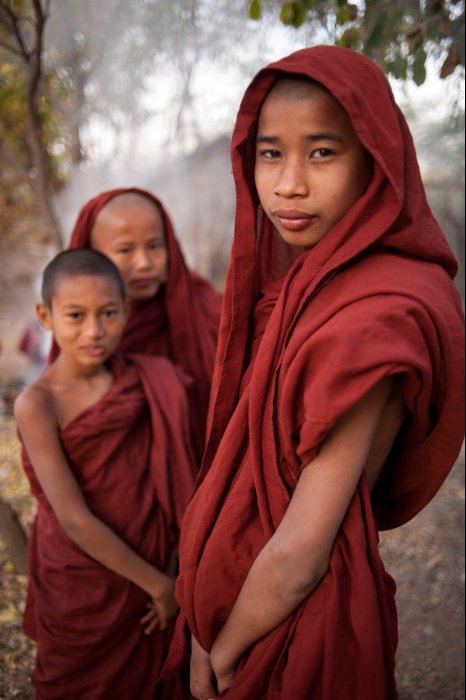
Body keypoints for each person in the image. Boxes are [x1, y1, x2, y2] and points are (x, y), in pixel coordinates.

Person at [169, 46, 465, 699]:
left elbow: (301, 554)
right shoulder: (312, 282)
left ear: (376, 159)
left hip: (289, 630)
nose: (288, 183)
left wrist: (220, 648)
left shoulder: (377, 313)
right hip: (246, 608)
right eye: (270, 153)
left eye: (322, 152)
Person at [14, 248, 196, 699]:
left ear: (125, 311)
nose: (94, 330)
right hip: (82, 577)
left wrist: (170, 570)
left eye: (108, 313)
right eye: (76, 315)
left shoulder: (145, 381)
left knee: (153, 680)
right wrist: (159, 585)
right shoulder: (38, 404)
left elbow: (169, 480)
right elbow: (73, 518)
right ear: (46, 315)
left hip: (154, 555)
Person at [51, 188, 222, 462]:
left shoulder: (207, 311)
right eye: (125, 250)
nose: (144, 263)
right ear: (91, 255)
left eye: (154, 246)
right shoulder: (80, 329)